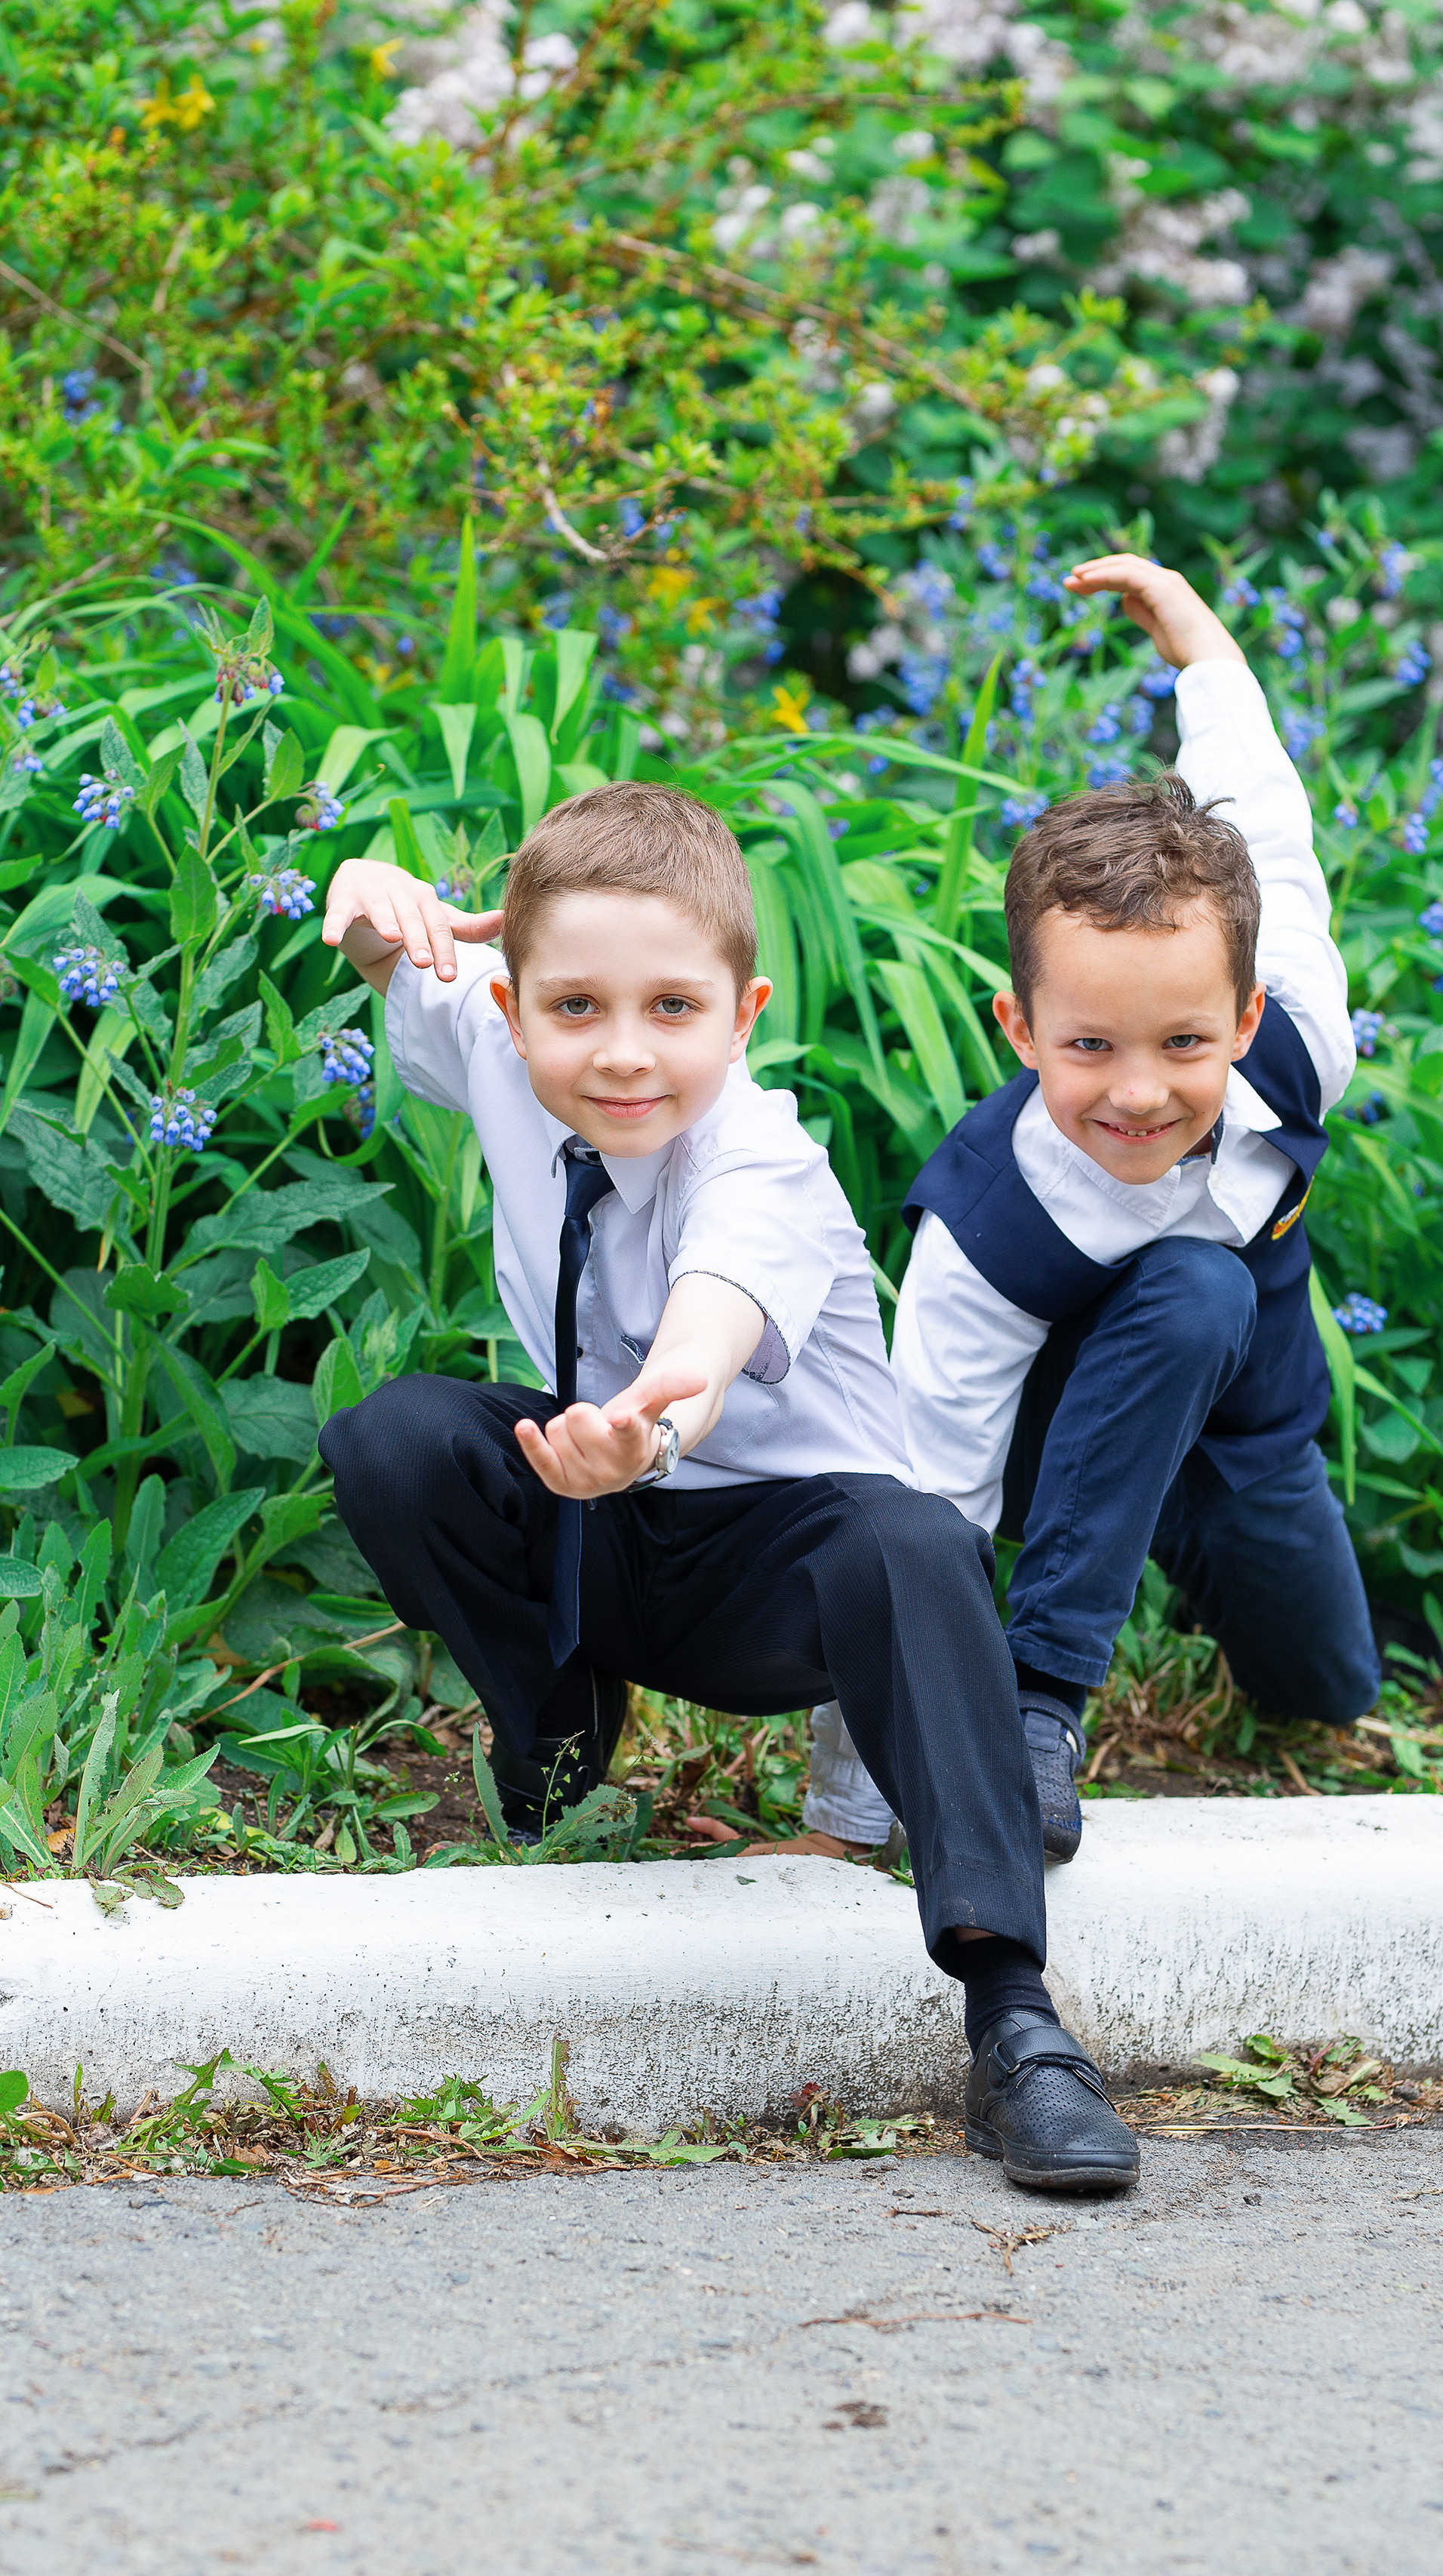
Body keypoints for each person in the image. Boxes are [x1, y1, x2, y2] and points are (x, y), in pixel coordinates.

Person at [314, 782, 1139, 2193]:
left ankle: (1015, 2021)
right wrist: (364, 896)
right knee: (395, 1435)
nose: (623, 1055)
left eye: (673, 1012)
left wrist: (648, 1426)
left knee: (911, 1536)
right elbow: (396, 951)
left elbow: (709, 1324)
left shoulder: (762, 1158)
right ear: (515, 1011)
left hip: (781, 1581)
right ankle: (559, 1732)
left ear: (742, 1011)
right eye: (575, 1009)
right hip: (605, 1517)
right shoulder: (507, 1045)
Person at [808, 555, 1380, 1863]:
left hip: (1241, 1440)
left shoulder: (1297, 1036)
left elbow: (1262, 815)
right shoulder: (988, 1228)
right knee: (1196, 1286)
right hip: (1049, 1442)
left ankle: (1179, 1552)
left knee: (1326, 1687)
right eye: (1087, 1048)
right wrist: (860, 1810)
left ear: (1244, 1016)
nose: (1139, 1092)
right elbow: (924, 1504)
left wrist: (1200, 649)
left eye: (1184, 1041)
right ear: (1018, 1028)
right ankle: (1038, 1703)